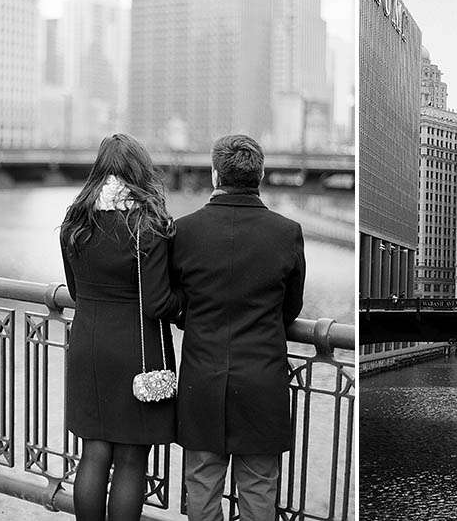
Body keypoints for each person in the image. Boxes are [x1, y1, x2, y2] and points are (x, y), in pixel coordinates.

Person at [171, 134, 305, 521]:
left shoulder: (184, 231)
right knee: (259, 485)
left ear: (215, 174)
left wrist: (195, 318)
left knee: (201, 481)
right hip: (262, 378)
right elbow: (290, 308)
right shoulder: (286, 232)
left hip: (203, 377)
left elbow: (177, 300)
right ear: (260, 175)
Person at [60, 133, 182, 521]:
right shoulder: (147, 224)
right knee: (130, 457)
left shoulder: (75, 220)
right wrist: (187, 305)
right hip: (135, 345)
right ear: (139, 172)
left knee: (93, 450)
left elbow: (76, 291)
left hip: (87, 343)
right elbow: (159, 300)